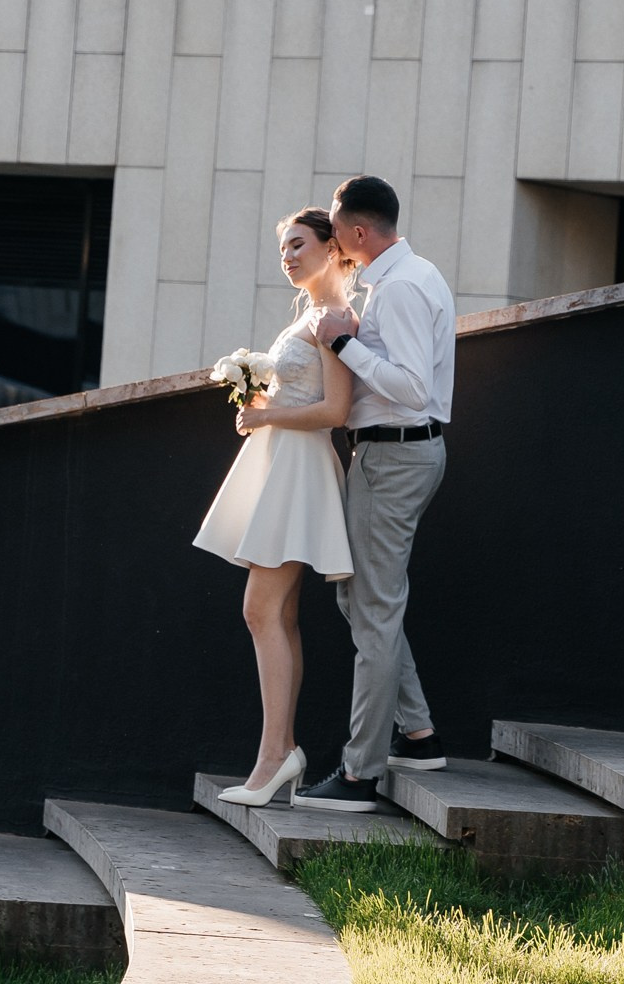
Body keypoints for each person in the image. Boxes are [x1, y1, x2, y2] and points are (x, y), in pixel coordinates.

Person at [294, 174, 456, 812]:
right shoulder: (396, 280)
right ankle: (415, 733)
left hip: (397, 453)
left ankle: (359, 774)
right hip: (389, 454)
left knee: (374, 608)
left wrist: (342, 343)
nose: (333, 243)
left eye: (334, 232)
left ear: (359, 232)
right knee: (359, 599)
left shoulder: (406, 288)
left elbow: (413, 388)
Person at [191, 208, 359, 807]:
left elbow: (336, 411)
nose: (287, 256)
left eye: (298, 244)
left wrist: (266, 414)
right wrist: (257, 396)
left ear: (331, 249)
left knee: (260, 609)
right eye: (282, 248)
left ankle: (276, 757)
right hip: (282, 466)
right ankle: (279, 752)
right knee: (276, 615)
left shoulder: (334, 318)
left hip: (302, 471)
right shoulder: (310, 315)